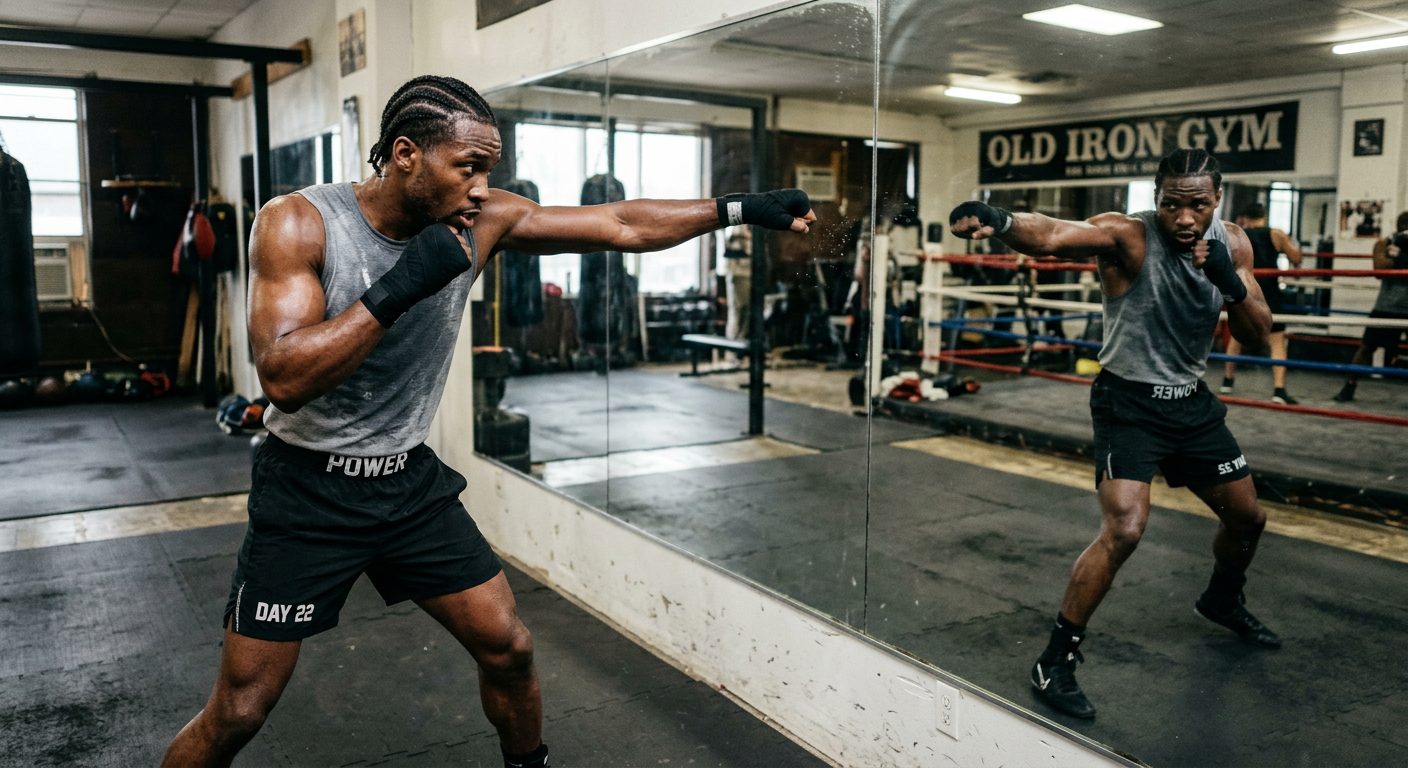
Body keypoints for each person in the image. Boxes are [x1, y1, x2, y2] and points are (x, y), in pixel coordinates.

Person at [162, 74, 814, 768]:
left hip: (407, 484)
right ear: (407, 154)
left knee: (509, 647)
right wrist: (403, 284)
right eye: (466, 167)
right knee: (241, 709)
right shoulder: (298, 221)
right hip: (309, 490)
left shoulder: (485, 220)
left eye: (488, 171)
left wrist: (740, 207)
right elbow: (284, 379)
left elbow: (621, 223)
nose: (480, 188)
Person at [949, 149, 1278, 721]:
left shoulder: (1236, 245)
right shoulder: (1125, 236)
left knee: (1249, 519)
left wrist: (1224, 276)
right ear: (1156, 199)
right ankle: (1056, 658)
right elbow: (1052, 235)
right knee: (1125, 528)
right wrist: (1000, 220)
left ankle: (1222, 599)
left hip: (1191, 403)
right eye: (1171, 204)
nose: (1183, 219)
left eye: (1197, 206)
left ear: (1217, 201)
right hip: (1128, 401)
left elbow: (1256, 334)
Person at [1220, 202, 1303, 403]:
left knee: (1238, 336)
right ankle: (1279, 390)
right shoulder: (1276, 234)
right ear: (1264, 216)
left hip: (1245, 290)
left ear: (1245, 218)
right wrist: (1290, 242)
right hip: (1269, 293)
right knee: (1277, 341)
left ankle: (1227, 382)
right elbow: (1296, 258)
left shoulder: (1238, 234)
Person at [1334, 211, 1408, 402]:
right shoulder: (1384, 244)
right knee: (1367, 348)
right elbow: (1379, 269)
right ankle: (1349, 387)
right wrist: (1401, 257)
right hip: (1387, 306)